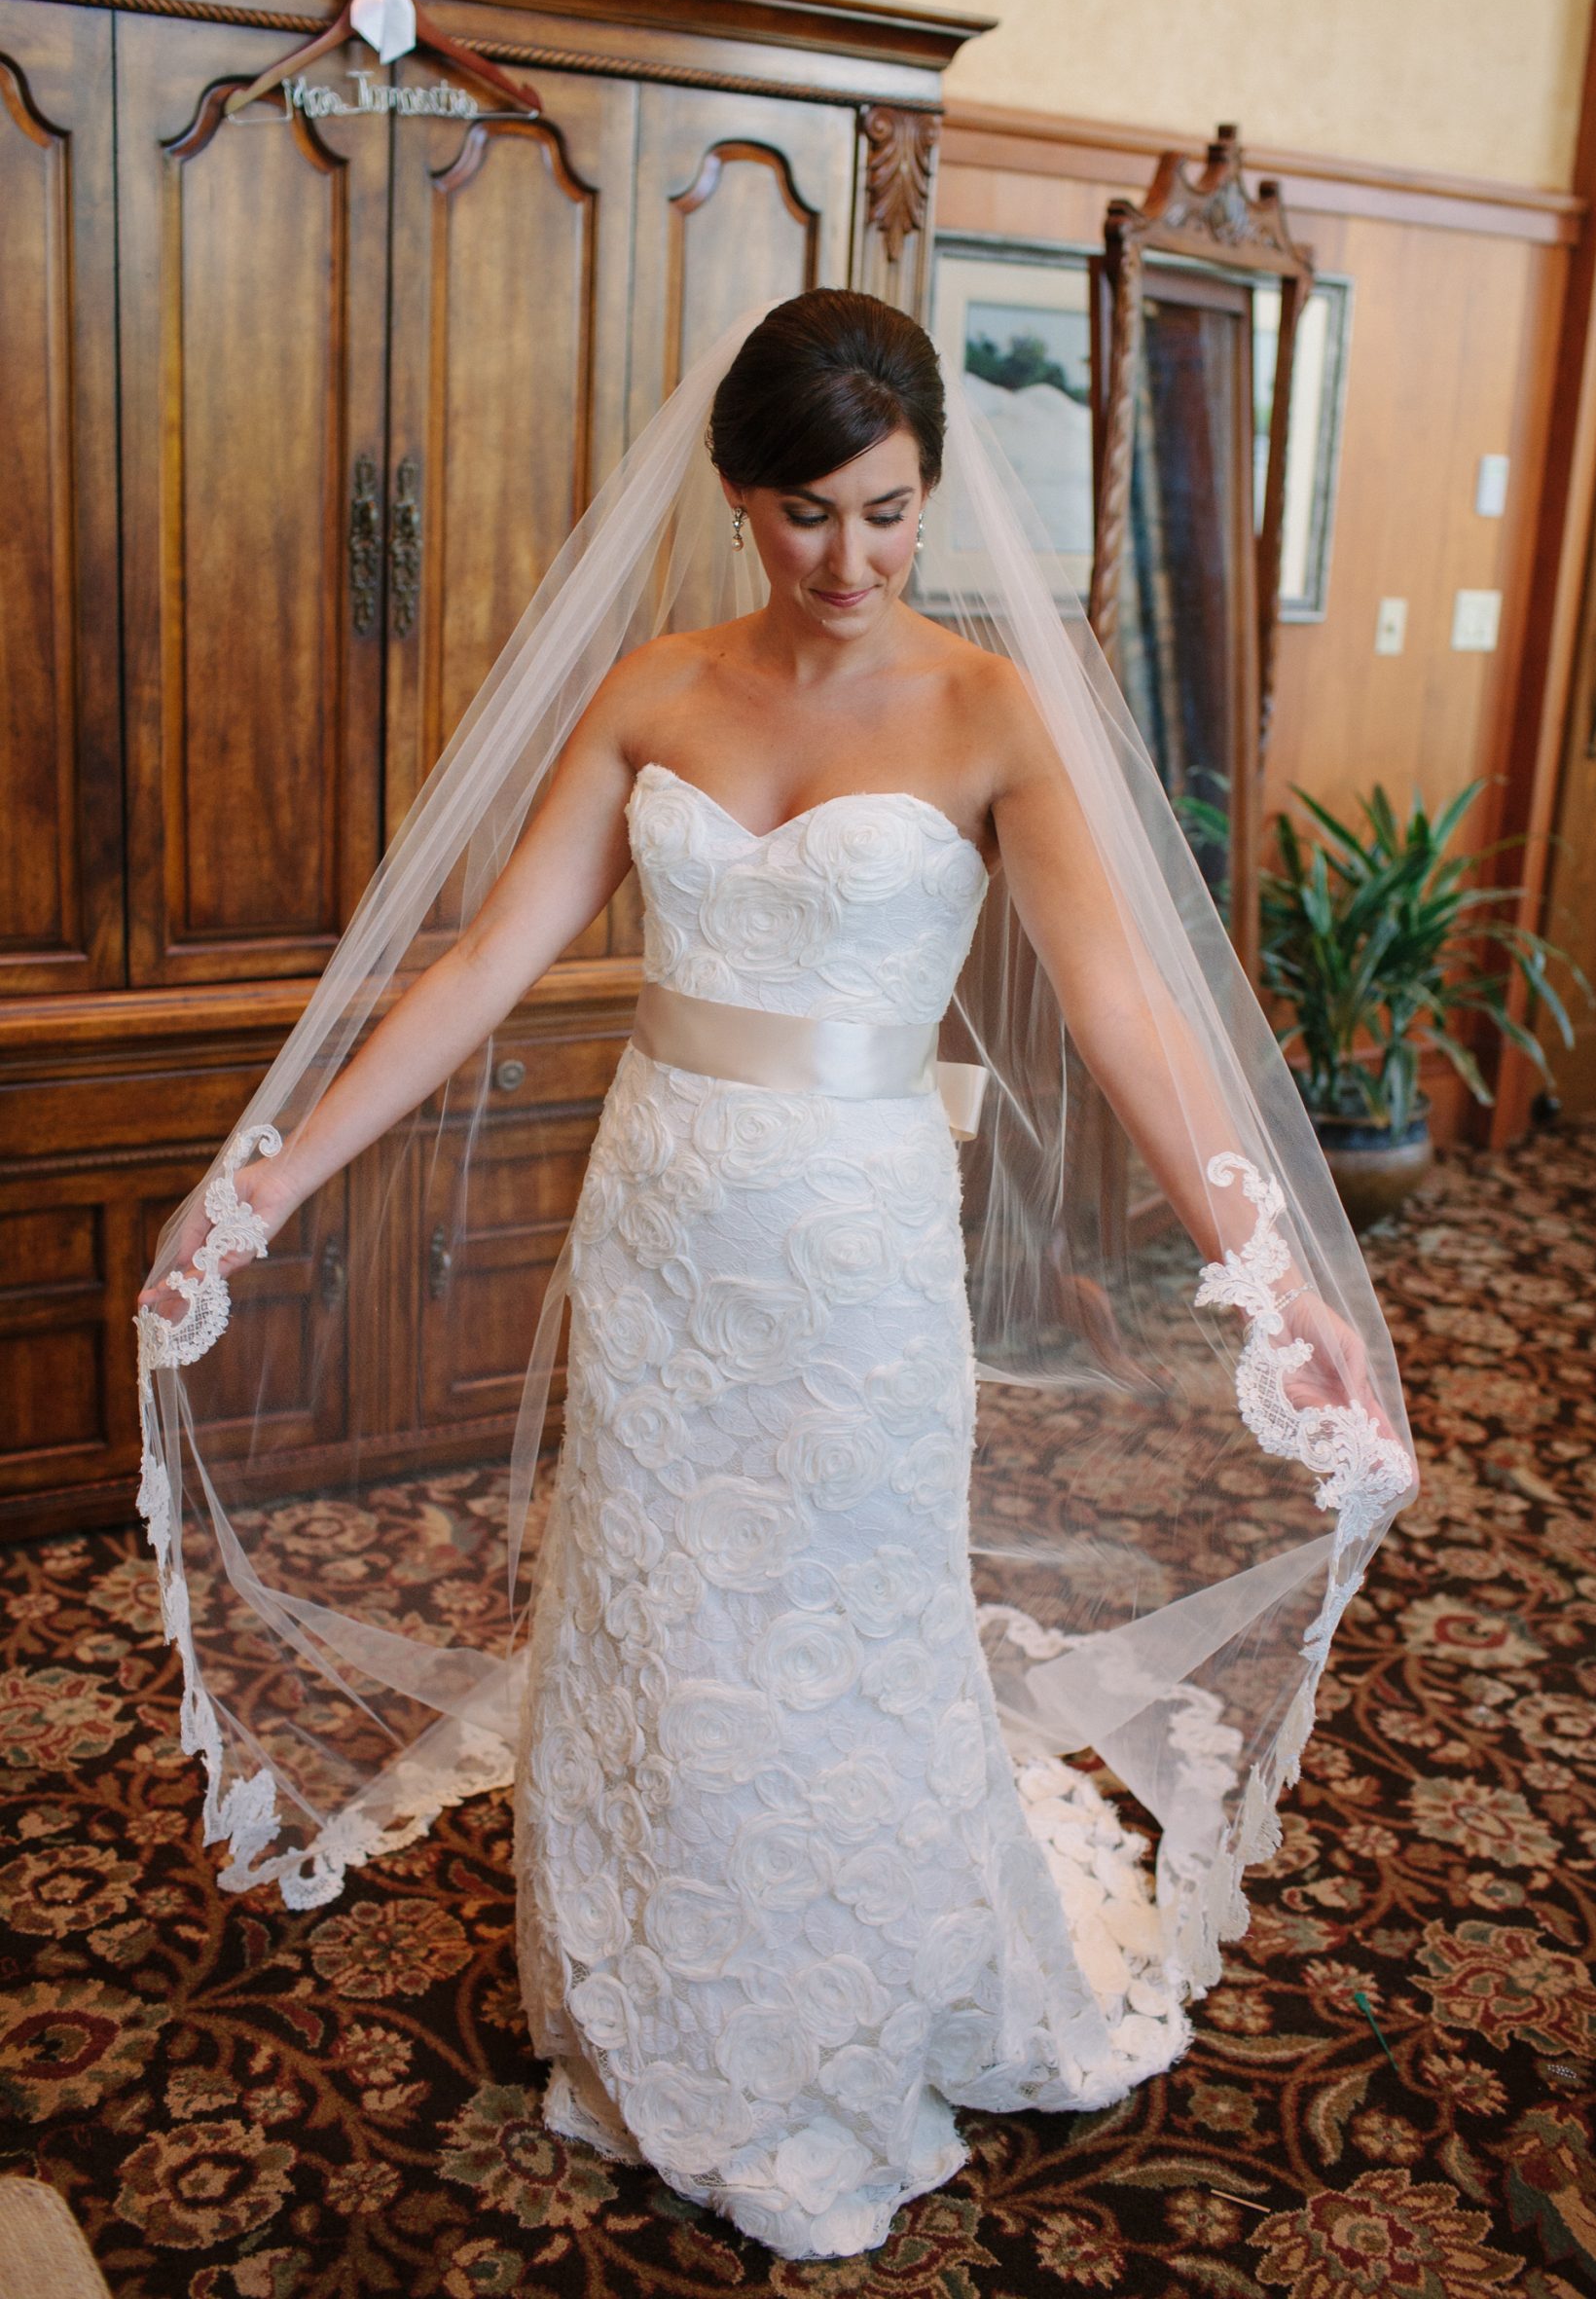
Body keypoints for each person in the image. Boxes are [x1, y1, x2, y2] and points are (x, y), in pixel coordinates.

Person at [138, 291, 1417, 2260]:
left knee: (830, 1615)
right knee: (654, 1604)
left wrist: (1278, 1273)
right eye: (808, 511)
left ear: (928, 488)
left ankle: (831, 2012)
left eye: (887, 509)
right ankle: (655, 1994)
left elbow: (1121, 1024)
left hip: (853, 1252)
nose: (851, 558)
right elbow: (482, 961)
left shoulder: (990, 712)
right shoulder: (655, 687)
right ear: (740, 496)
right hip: (661, 1225)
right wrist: (261, 1178)